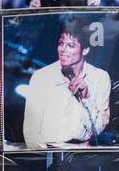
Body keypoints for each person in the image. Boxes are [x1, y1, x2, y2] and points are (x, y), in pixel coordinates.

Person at [21, 17, 112, 149]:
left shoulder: (100, 78)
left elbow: (97, 131)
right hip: (49, 154)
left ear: (85, 50)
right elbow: (31, 133)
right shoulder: (41, 77)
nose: (62, 50)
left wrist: (86, 99)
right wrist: (48, 160)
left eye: (70, 45)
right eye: (60, 43)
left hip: (83, 154)